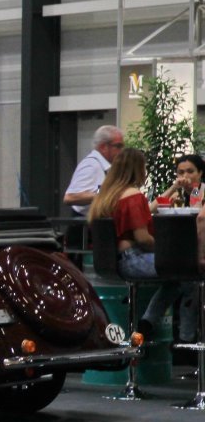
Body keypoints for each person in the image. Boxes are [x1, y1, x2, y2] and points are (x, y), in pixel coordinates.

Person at [89, 148, 186, 340]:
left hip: (115, 261)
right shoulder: (133, 196)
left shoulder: (109, 196)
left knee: (178, 274)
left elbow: (147, 210)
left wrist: (173, 187)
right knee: (183, 271)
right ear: (138, 169)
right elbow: (143, 239)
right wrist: (168, 251)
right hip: (133, 260)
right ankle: (155, 326)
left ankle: (147, 323)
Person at [64, 125, 124, 215]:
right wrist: (106, 195)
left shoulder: (105, 165)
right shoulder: (91, 165)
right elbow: (70, 197)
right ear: (103, 147)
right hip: (85, 221)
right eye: (118, 146)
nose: (122, 151)